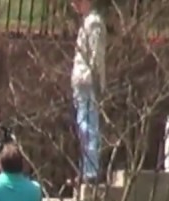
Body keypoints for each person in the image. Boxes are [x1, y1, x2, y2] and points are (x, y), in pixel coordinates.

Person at [72, 0, 105, 184]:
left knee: (89, 127)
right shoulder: (86, 22)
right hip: (81, 83)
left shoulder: (94, 23)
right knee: (83, 127)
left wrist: (92, 79)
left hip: (87, 83)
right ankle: (86, 168)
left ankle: (91, 171)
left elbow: (96, 55)